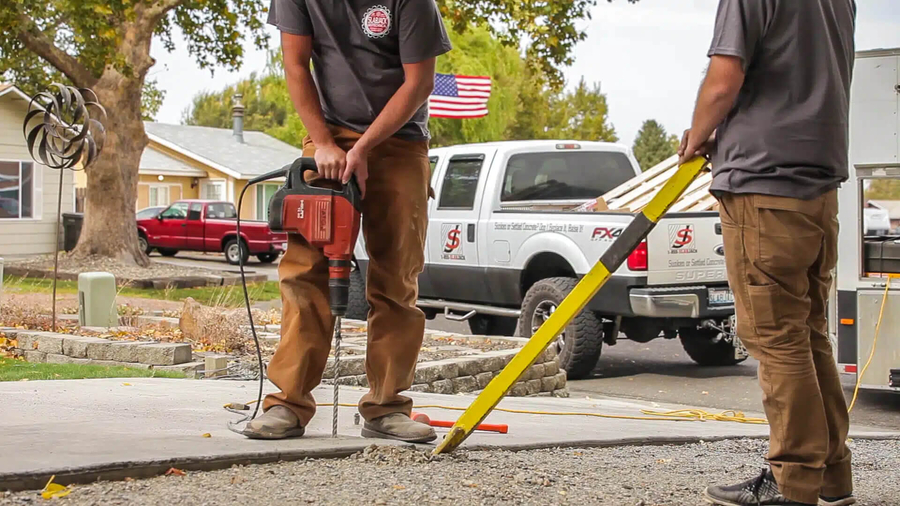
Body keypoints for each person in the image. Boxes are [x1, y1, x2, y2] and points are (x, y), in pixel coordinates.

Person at [244, 0, 452, 443]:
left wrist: (363, 150)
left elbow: (419, 83)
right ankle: (288, 404)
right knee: (305, 272)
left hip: (399, 140)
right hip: (328, 135)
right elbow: (296, 65)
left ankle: (386, 407)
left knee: (397, 277)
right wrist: (323, 143)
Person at [679, 1, 857, 505]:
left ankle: (793, 480)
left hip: (765, 184)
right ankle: (829, 475)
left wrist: (697, 136)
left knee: (776, 337)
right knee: (807, 333)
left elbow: (723, 79)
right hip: (818, 187)